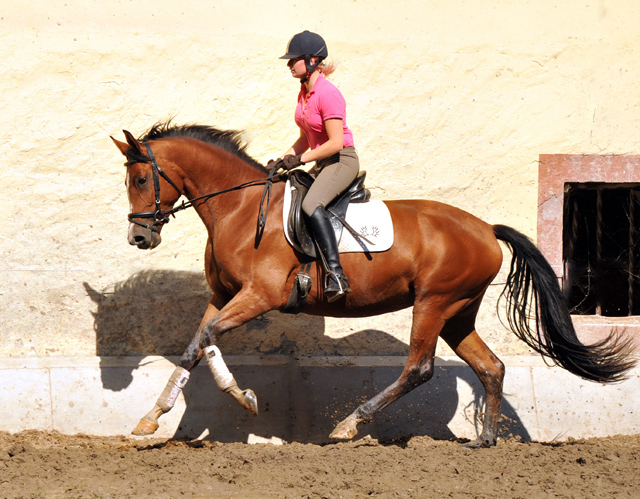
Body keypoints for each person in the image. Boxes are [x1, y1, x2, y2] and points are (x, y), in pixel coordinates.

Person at [272, 30, 359, 303]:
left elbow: (334, 143)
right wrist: (282, 159)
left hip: (341, 160)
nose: (289, 64)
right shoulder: (304, 93)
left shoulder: (327, 94)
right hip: (322, 162)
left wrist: (300, 160)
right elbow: (305, 138)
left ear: (311, 60)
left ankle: (336, 275)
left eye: (294, 59)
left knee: (311, 205)